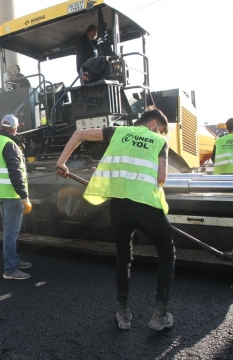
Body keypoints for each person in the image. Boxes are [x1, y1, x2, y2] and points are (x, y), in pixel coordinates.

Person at [55, 108, 175, 331]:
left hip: (119, 208)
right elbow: (161, 178)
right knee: (167, 254)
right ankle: (159, 317)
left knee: (123, 258)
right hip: (147, 207)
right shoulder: (159, 140)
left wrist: (62, 163)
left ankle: (123, 315)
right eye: (162, 130)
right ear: (154, 125)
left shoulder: (117, 132)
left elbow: (78, 134)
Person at [0, 114, 33, 280]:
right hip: (11, 194)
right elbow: (15, 173)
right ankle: (10, 269)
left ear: (1, 125)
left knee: (8, 231)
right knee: (11, 233)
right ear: (14, 128)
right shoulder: (10, 145)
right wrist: (24, 196)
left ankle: (14, 260)